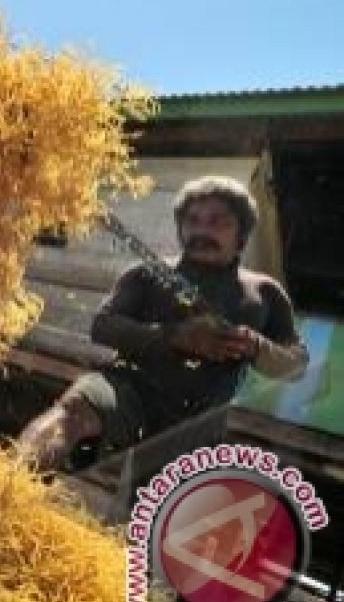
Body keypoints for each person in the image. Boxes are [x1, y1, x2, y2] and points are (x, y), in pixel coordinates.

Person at [18, 176, 309, 471]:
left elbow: (296, 365)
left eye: (218, 222)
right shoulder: (145, 274)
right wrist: (175, 337)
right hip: (127, 390)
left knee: (145, 505)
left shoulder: (264, 291)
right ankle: (9, 486)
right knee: (73, 414)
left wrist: (255, 346)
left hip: (198, 425)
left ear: (242, 235)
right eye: (192, 221)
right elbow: (102, 327)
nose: (201, 231)